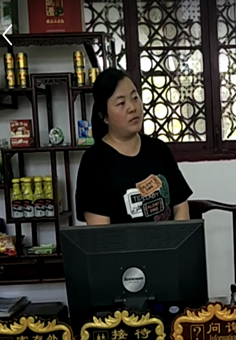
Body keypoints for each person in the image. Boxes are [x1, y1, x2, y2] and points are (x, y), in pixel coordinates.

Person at [75, 68, 193, 225]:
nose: (132, 107)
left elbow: (180, 206)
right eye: (121, 103)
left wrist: (177, 238)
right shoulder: (94, 162)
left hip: (168, 240)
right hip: (122, 242)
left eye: (135, 98)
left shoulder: (159, 150)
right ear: (104, 116)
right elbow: (101, 233)